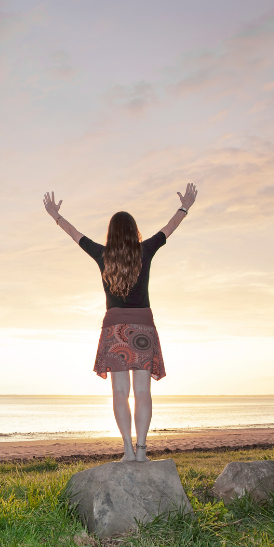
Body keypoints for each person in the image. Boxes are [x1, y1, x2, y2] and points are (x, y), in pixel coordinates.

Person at [43, 184, 198, 462]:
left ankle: (127, 448)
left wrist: (55, 215)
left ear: (112, 233)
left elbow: (74, 235)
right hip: (143, 328)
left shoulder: (103, 254)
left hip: (114, 329)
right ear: (134, 230)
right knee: (142, 391)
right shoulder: (145, 250)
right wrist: (185, 206)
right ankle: (141, 451)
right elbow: (169, 228)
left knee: (119, 392)